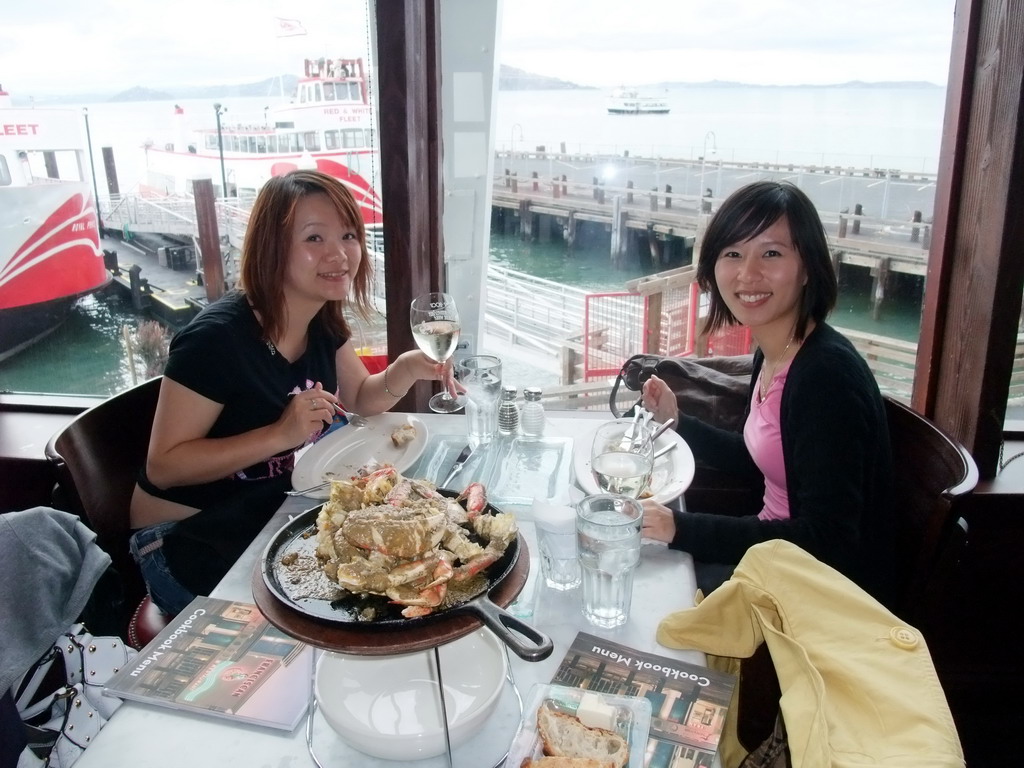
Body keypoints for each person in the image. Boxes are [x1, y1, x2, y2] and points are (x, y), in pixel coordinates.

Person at [129, 169, 453, 615]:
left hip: (262, 516)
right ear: (271, 247)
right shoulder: (215, 340)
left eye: (348, 235)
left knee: (410, 569)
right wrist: (280, 435)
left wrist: (407, 368)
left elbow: (360, 397)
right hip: (185, 539)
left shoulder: (320, 320)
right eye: (314, 239)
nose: (339, 254)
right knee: (358, 612)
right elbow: (163, 467)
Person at [640, 181, 895, 603]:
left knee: (644, 589)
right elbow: (759, 458)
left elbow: (828, 539)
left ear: (808, 266)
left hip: (815, 590)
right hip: (773, 556)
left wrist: (680, 527)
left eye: (771, 253)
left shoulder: (826, 376)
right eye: (733, 254)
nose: (748, 273)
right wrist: (677, 421)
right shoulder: (778, 350)